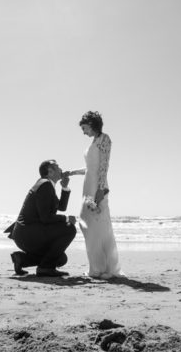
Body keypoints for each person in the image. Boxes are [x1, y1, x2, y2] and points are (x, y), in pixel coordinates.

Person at [69, 111, 122, 279]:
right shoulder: (92, 142)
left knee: (98, 226)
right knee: (89, 227)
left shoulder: (104, 139)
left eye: (84, 128)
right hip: (87, 188)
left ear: (92, 124)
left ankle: (104, 268)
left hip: (97, 188)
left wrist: (101, 190)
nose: (83, 132)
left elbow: (103, 167)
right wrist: (72, 172)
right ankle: (96, 267)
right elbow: (90, 168)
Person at [5, 159, 77, 277]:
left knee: (61, 259)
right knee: (69, 229)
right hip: (28, 234)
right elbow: (46, 218)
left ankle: (22, 259)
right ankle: (45, 268)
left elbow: (61, 207)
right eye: (57, 167)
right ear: (50, 171)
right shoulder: (45, 184)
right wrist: (66, 219)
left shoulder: (46, 184)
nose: (61, 169)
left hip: (28, 234)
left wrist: (64, 188)